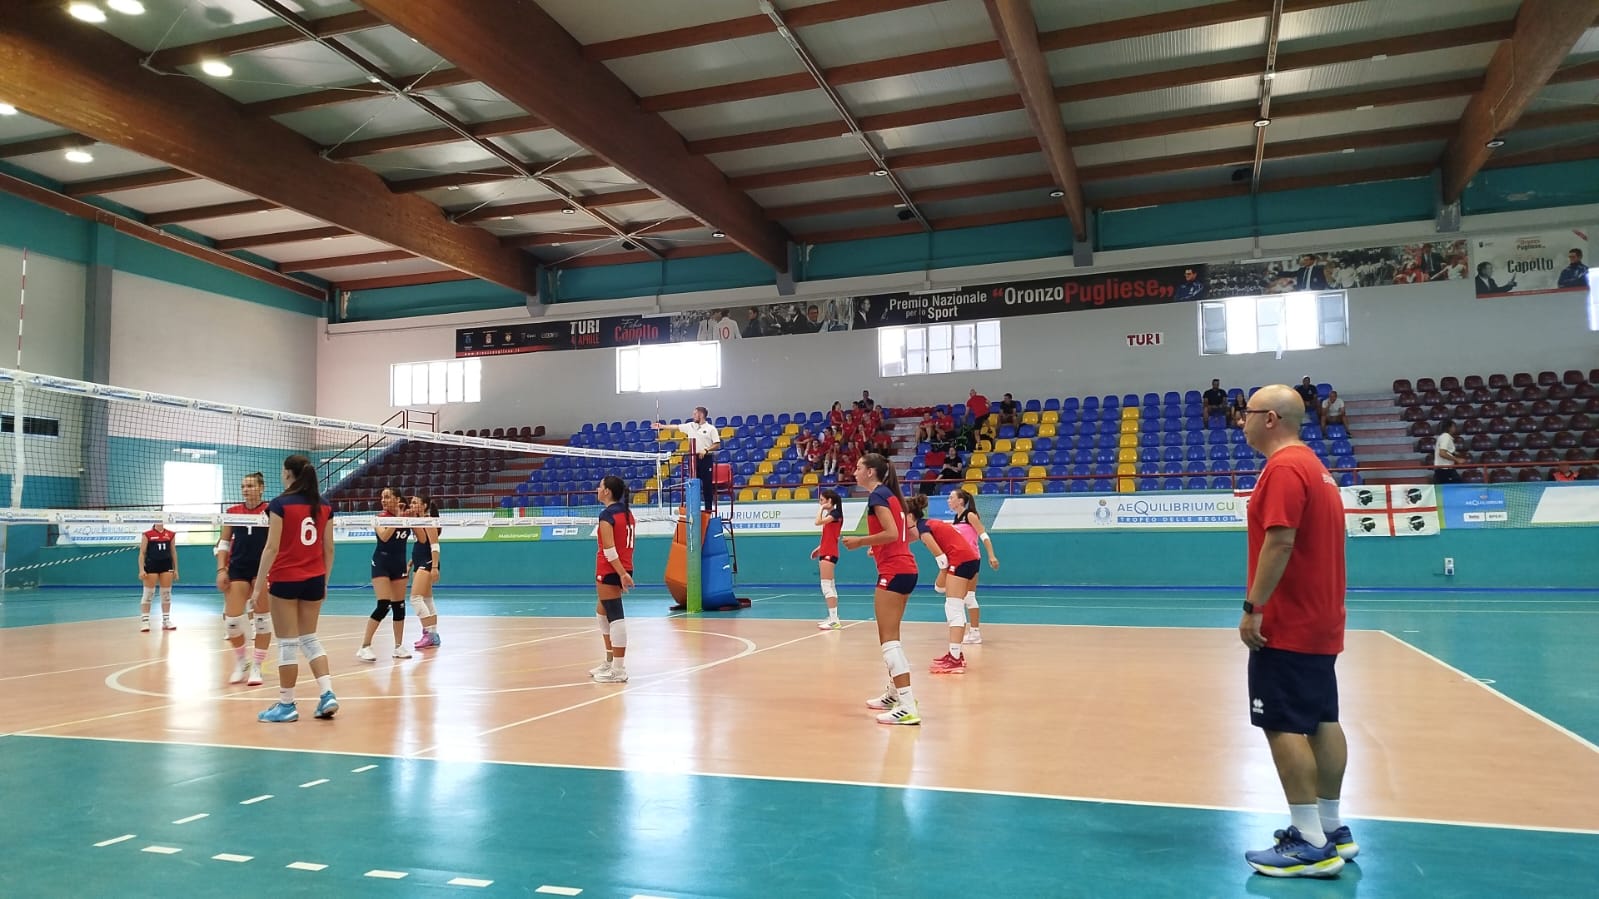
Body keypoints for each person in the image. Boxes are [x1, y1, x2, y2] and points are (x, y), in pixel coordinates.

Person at [1237, 385, 1353, 878]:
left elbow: (1280, 542)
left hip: (1287, 622)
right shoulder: (1316, 469)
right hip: (1321, 619)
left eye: (1246, 413)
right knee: (1323, 719)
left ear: (1269, 419)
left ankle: (1308, 842)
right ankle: (1331, 828)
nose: (1240, 421)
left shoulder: (1284, 468)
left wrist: (1254, 607)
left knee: (1281, 723)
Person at [253, 454, 339, 723]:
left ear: (288, 474)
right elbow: (329, 548)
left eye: (283, 471)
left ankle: (286, 704)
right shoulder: (324, 505)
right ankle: (327, 694)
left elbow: (271, 547)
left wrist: (257, 586)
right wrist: (324, 582)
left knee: (288, 643)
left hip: (285, 578)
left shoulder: (280, 504)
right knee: (310, 638)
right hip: (315, 579)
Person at [842, 453, 921, 725]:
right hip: (905, 568)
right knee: (892, 637)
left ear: (870, 472)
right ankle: (894, 694)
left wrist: (861, 541)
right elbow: (909, 534)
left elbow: (892, 533)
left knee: (889, 642)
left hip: (894, 571)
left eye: (858, 467)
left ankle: (908, 706)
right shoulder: (892, 496)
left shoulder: (878, 496)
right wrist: (877, 547)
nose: (854, 471)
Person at [904, 494, 979, 675]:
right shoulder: (926, 525)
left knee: (954, 608)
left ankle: (955, 659)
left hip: (960, 561)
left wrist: (943, 576)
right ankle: (955, 654)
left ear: (910, 516)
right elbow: (906, 538)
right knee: (952, 604)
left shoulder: (924, 529)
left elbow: (942, 560)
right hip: (968, 559)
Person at [215, 472, 271, 685]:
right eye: (243, 486)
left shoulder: (271, 511)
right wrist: (221, 570)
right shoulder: (233, 512)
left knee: (262, 622)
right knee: (231, 623)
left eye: (250, 486)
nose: (246, 490)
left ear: (261, 488)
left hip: (262, 569)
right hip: (238, 568)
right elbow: (223, 543)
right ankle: (241, 662)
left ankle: (257, 666)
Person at [357, 487, 413, 661]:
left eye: (387, 497)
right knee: (383, 604)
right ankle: (365, 646)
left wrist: (416, 519)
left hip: (399, 564)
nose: (383, 500)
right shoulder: (379, 518)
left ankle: (398, 647)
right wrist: (399, 519)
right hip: (381, 563)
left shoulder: (406, 517)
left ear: (397, 499)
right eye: (382, 497)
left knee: (399, 606)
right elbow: (385, 537)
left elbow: (422, 538)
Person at [590, 475, 636, 684]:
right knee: (602, 613)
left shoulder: (607, 515)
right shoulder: (626, 513)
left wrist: (621, 574)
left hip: (612, 569)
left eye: (600, 486)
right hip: (622, 568)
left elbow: (609, 550)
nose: (597, 489)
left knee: (615, 617)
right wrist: (624, 572)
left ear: (607, 491)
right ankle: (609, 661)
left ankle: (618, 670)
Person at [943, 488, 999, 644]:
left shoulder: (970, 515)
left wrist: (991, 555)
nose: (948, 500)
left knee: (966, 597)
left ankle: (972, 632)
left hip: (971, 559)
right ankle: (970, 632)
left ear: (960, 501)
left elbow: (984, 536)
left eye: (951, 497)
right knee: (965, 597)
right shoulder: (956, 518)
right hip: (959, 559)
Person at [655, 406, 720, 512]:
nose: (693, 416)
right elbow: (676, 427)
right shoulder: (690, 426)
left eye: (695, 414)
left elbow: (717, 444)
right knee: (693, 484)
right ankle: (693, 510)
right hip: (693, 458)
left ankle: (708, 511)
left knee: (707, 486)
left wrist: (706, 450)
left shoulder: (711, 429)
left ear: (701, 415)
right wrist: (662, 426)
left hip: (706, 458)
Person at [408, 494, 443, 650]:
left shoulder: (429, 521)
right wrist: (410, 563)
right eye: (411, 503)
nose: (411, 505)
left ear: (424, 506)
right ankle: (433, 635)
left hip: (428, 563)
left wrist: (434, 567)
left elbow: (434, 546)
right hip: (419, 562)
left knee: (415, 598)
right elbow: (421, 545)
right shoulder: (418, 521)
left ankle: (428, 633)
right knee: (427, 599)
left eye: (415, 503)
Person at [812, 489, 844, 630]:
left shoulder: (835, 515)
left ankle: (834, 620)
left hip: (829, 554)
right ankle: (833, 617)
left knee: (826, 587)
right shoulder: (833, 516)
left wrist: (821, 508)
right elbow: (831, 536)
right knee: (830, 586)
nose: (820, 503)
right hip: (827, 551)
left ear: (829, 501)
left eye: (822, 500)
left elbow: (817, 522)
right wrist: (819, 548)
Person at [137, 521, 179, 633]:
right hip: (151, 565)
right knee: (148, 593)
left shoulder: (170, 534)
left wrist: (176, 569)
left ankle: (166, 620)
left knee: (166, 593)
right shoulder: (147, 534)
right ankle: (145, 621)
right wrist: (141, 570)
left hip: (166, 566)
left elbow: (173, 552)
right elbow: (142, 553)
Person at [1433, 419, 1466, 484]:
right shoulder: (1446, 437)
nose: (1455, 428)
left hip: (1444, 469)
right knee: (1457, 485)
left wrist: (1454, 453)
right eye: (1453, 426)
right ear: (1449, 428)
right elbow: (1442, 453)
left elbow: (1446, 450)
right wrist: (1457, 459)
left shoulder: (1444, 437)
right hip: (1445, 469)